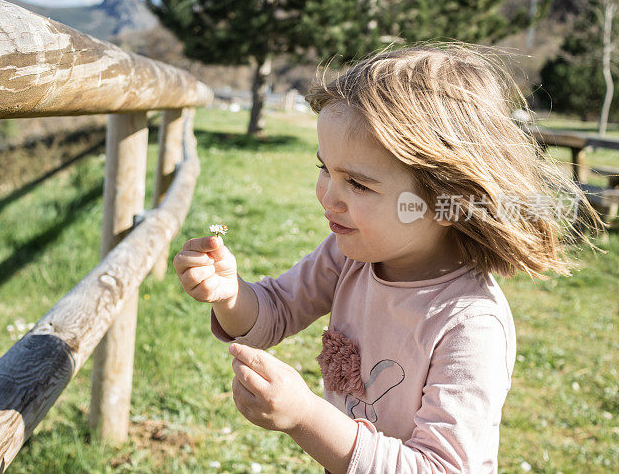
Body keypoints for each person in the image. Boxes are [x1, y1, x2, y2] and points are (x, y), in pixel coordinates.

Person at [173, 44, 605, 473]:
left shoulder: (469, 325)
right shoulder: (349, 258)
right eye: (325, 168)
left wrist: (305, 416)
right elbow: (277, 310)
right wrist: (230, 295)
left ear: (445, 198)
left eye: (357, 184)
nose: (326, 196)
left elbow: (442, 468)